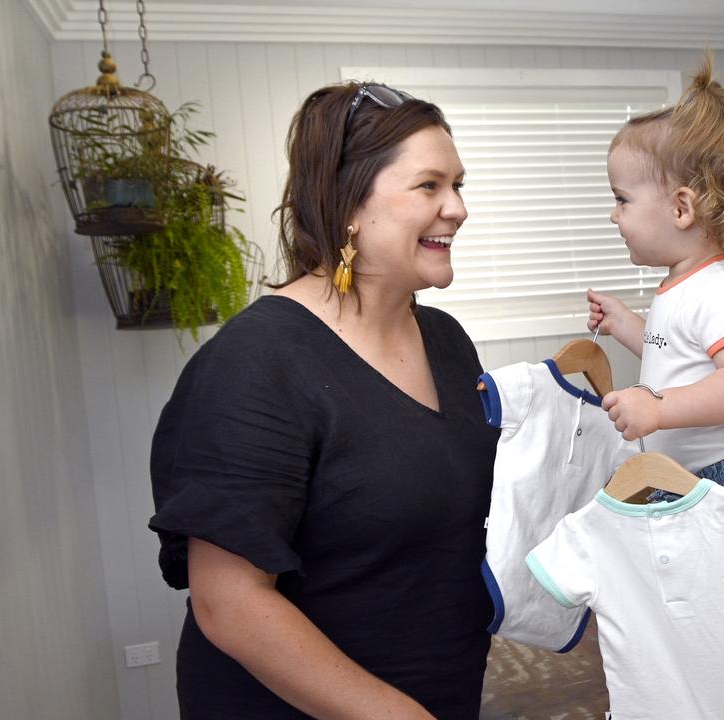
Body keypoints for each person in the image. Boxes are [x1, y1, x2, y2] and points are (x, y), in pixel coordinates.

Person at [149, 82, 497, 719]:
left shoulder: (446, 341)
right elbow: (229, 603)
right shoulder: (257, 361)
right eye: (429, 186)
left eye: (459, 185)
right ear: (347, 207)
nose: (457, 208)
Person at [585, 54, 724, 528]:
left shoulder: (722, 287)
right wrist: (626, 324)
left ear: (681, 209)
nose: (614, 215)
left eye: (621, 199)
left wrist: (657, 408)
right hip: (693, 482)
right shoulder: (681, 284)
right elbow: (679, 350)